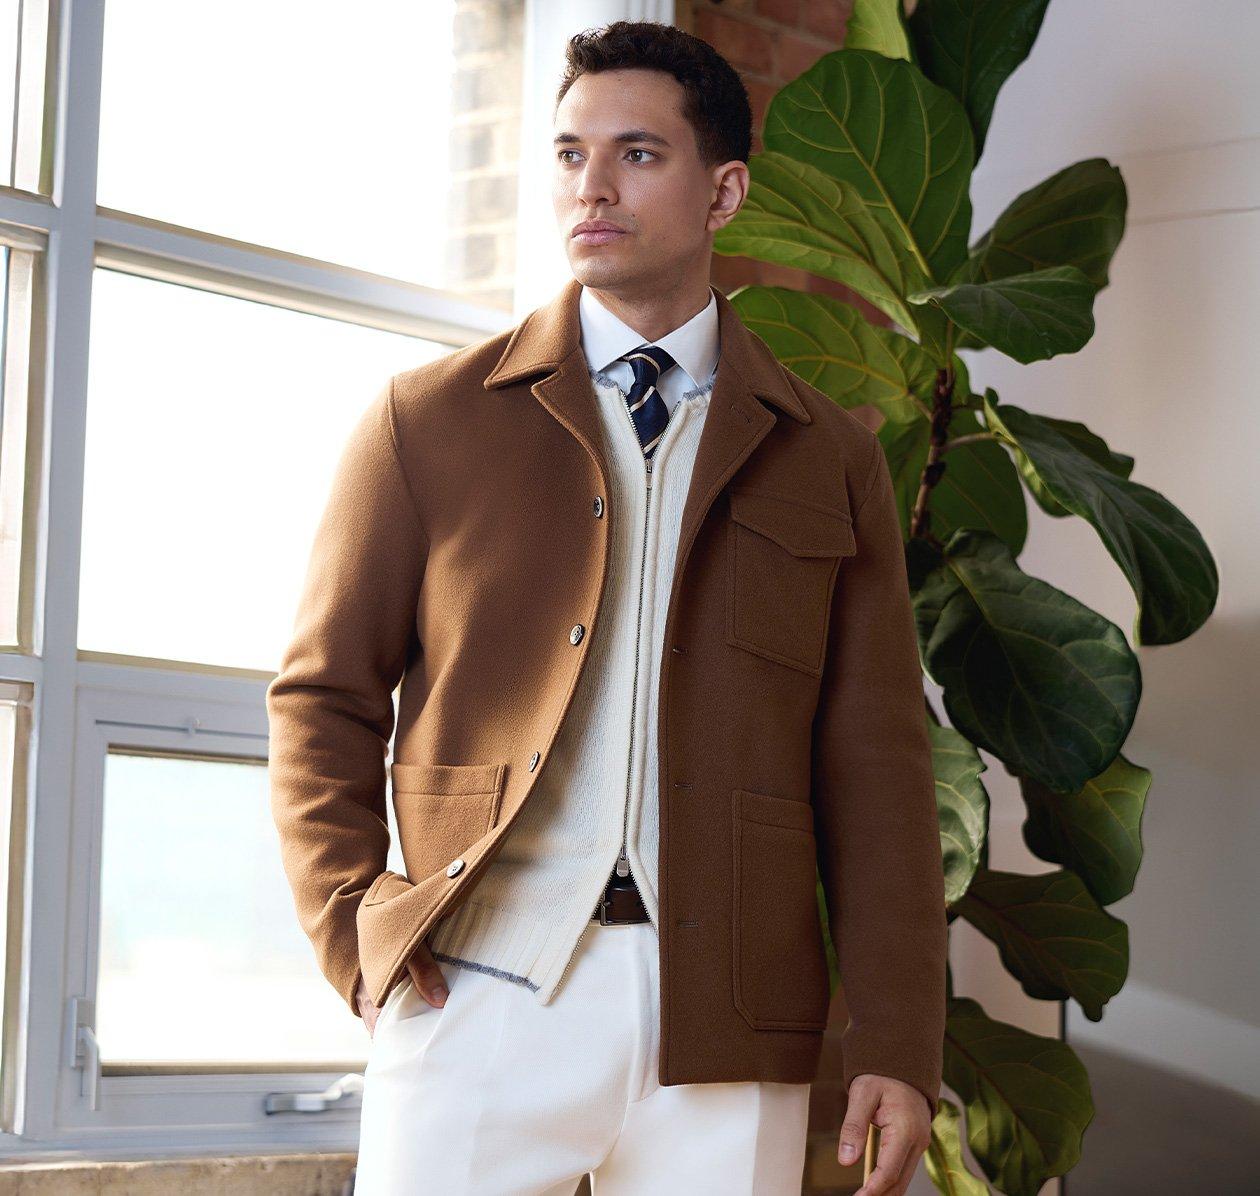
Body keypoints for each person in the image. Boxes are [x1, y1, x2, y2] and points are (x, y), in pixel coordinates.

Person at [267, 19, 947, 1196]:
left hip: (732, 1024)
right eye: (572, 153)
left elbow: (879, 765)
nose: (594, 184)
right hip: (478, 984)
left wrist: (897, 1039)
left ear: (724, 188)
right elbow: (323, 695)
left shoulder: (830, 456)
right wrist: (354, 919)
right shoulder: (426, 421)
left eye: (637, 154)